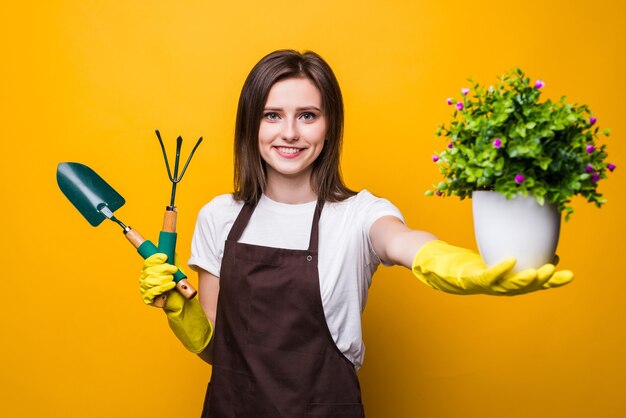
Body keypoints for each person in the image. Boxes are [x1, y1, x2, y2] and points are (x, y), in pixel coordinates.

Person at [138, 50, 573, 418]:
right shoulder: (220, 216)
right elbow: (217, 350)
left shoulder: (360, 214)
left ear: (330, 125)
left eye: (307, 115)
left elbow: (400, 240)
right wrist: (179, 309)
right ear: (251, 124)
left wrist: (451, 263)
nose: (289, 133)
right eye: (273, 115)